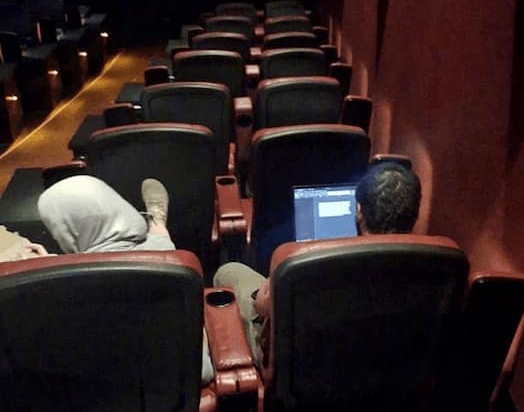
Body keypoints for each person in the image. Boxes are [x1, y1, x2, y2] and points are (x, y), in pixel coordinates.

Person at [0, 174, 215, 385]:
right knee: (163, 247)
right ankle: (156, 222)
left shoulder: (51, 289)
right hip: (179, 382)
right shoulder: (173, 267)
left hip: (92, 396)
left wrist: (46, 267)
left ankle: (156, 222)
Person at [214, 161, 422, 359]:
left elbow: (262, 307)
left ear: (358, 211)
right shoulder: (431, 266)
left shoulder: (308, 268)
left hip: (309, 369)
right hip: (393, 368)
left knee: (229, 271)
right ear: (415, 215)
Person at [37, 174, 175, 253]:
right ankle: (157, 221)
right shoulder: (164, 256)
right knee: (160, 241)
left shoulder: (62, 276)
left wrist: (46, 263)